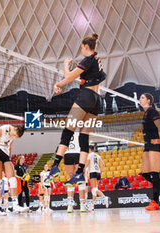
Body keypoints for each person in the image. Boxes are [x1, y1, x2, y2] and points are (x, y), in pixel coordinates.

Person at [45, 33, 106, 187]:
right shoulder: (98, 60)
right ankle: (79, 173)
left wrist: (65, 67)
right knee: (84, 137)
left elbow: (69, 77)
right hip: (97, 101)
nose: (81, 50)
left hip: (86, 96)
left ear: (86, 47)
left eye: (81, 48)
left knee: (68, 130)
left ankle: (54, 167)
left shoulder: (88, 59)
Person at [0, 124, 26, 215]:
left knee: (13, 179)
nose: (13, 137)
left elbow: (10, 146)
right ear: (14, 129)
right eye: (14, 135)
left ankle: (15, 206)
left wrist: (9, 158)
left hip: (5, 155)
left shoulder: (13, 136)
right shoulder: (2, 129)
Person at [63, 132, 81, 213]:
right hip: (76, 153)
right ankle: (80, 204)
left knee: (71, 178)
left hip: (67, 153)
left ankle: (70, 205)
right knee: (79, 178)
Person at [86, 145, 108, 211]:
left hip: (92, 172)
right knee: (94, 190)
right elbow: (103, 164)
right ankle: (92, 205)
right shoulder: (97, 155)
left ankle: (104, 197)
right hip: (98, 173)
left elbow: (87, 164)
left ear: (89, 149)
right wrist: (101, 171)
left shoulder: (89, 155)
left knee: (94, 189)